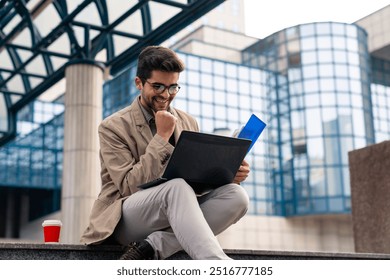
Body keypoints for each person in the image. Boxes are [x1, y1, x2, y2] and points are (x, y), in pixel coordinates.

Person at [80, 46, 250, 260]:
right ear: (139, 83)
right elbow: (129, 185)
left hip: (177, 209)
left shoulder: (189, 121)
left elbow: (195, 178)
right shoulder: (112, 127)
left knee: (237, 196)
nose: (165, 95)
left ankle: (153, 246)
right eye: (158, 86)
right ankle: (216, 265)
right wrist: (161, 137)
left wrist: (227, 174)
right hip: (126, 217)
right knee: (176, 188)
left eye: (172, 88)